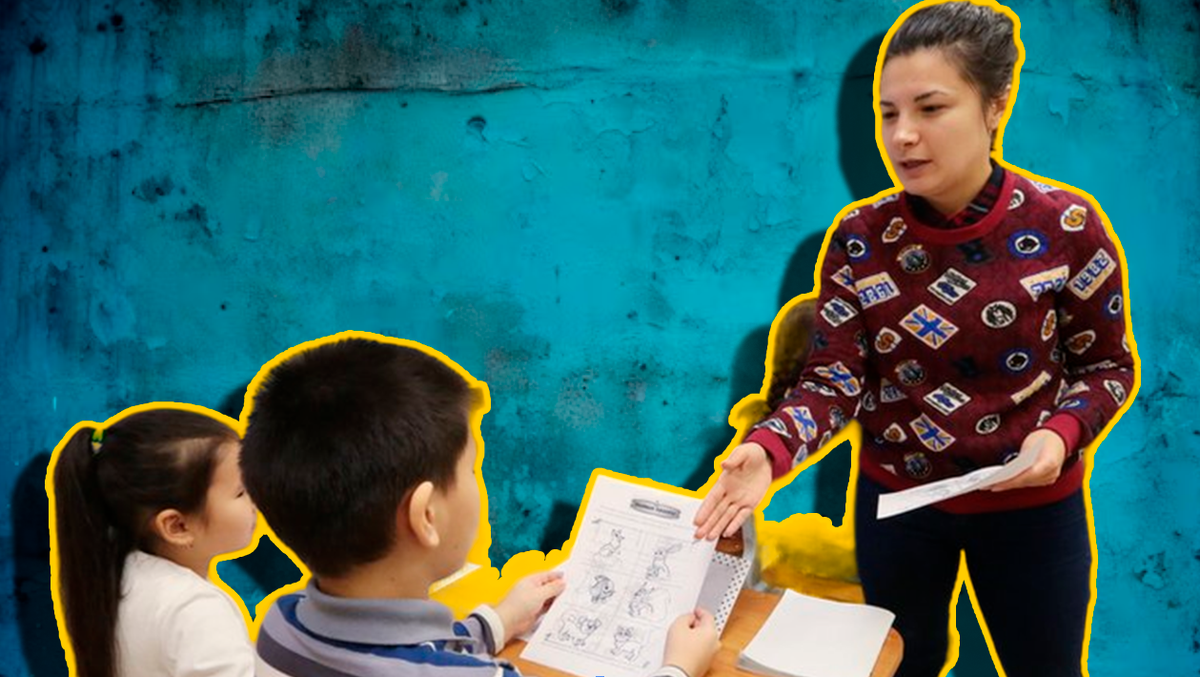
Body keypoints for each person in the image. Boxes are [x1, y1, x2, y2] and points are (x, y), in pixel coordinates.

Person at [694, 2, 1135, 676]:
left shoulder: (1066, 226)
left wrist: (1062, 433)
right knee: (901, 665)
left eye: (931, 108)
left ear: (995, 105)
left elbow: (1106, 367)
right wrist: (769, 449)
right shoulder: (860, 238)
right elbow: (834, 380)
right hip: (897, 505)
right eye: (888, 113)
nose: (903, 136)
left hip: (1034, 511)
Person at [241, 334, 720, 677]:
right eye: (471, 469)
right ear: (427, 516)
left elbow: (403, 647)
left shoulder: (280, 626)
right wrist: (679, 667)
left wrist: (498, 620)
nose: (477, 482)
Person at [49, 406, 259, 677]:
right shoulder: (196, 609)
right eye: (241, 491)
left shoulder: (116, 581)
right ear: (177, 526)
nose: (256, 497)